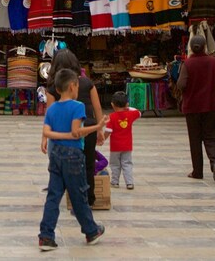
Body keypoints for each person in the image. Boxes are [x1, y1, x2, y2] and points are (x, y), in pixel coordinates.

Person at [38, 68, 105, 251]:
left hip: (56, 155)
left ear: (58, 89)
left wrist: (59, 136)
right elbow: (76, 132)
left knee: (53, 196)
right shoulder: (78, 106)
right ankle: (91, 231)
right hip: (73, 156)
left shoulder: (52, 109)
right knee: (79, 196)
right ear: (73, 86)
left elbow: (46, 132)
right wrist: (97, 126)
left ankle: (46, 236)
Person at [44, 50, 105, 209]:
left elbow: (49, 115)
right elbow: (97, 108)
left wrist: (45, 138)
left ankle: (69, 195)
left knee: (66, 165)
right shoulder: (87, 82)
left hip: (66, 133)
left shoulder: (53, 88)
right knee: (89, 164)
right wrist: (100, 130)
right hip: (89, 127)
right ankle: (89, 198)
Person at [177, 35, 215, 181]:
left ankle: (198, 171)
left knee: (195, 140)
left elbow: (181, 84)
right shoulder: (214, 62)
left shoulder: (188, 64)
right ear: (204, 46)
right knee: (210, 137)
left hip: (192, 107)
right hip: (211, 105)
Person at [105, 91, 140, 189]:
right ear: (126, 104)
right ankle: (129, 183)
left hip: (115, 147)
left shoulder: (111, 117)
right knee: (127, 163)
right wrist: (128, 108)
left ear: (112, 104)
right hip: (127, 146)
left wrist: (102, 139)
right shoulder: (130, 115)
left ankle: (115, 182)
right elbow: (138, 112)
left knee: (115, 164)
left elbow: (108, 131)